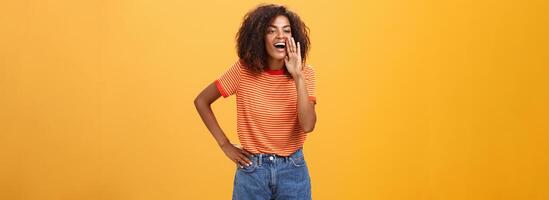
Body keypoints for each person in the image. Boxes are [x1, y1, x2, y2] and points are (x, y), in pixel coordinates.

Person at [194, 4, 317, 200]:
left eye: (286, 30)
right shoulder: (242, 71)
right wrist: (225, 144)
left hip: (293, 170)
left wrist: (297, 77)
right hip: (253, 172)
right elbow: (201, 101)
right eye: (271, 30)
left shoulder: (305, 73)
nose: (280, 36)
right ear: (259, 36)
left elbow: (308, 125)